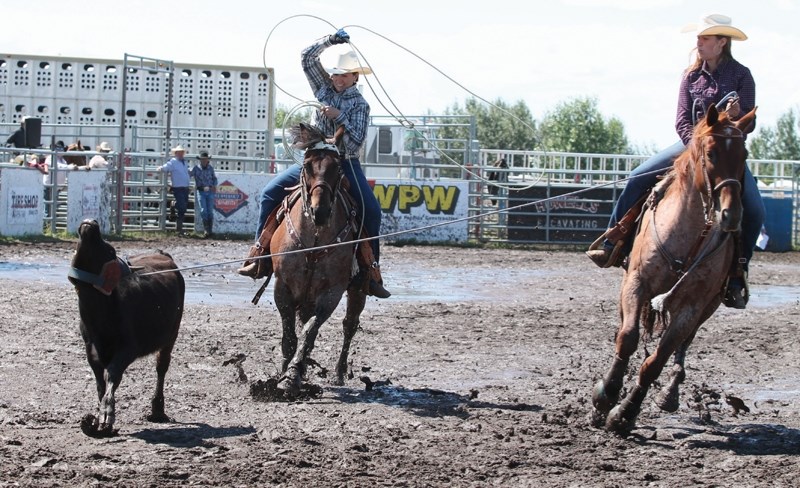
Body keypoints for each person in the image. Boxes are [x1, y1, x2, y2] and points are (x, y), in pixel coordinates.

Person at [586, 14, 764, 309]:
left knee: (755, 210)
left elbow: (749, 123)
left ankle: (737, 271)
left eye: (705, 38)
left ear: (721, 43)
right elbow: (682, 120)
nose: (699, 43)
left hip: (724, 153)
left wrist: (735, 116)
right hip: (690, 146)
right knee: (638, 176)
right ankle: (613, 240)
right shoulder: (691, 76)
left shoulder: (742, 76)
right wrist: (695, 146)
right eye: (699, 38)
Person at [237, 29, 390, 298]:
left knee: (371, 210)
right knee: (270, 193)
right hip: (312, 160)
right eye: (335, 73)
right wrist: (331, 40)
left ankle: (370, 271)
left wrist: (339, 116)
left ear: (355, 77)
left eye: (344, 74)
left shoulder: (360, 105)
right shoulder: (322, 87)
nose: (337, 78)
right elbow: (307, 58)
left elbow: (353, 145)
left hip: (344, 163)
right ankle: (259, 254)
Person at [157, 145, 191, 235]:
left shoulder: (184, 162)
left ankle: (179, 227)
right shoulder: (173, 162)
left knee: (183, 207)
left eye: (182, 152)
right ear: (176, 153)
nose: (181, 154)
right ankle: (179, 227)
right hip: (178, 187)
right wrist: (161, 168)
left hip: (185, 187)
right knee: (182, 206)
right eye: (179, 152)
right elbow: (166, 167)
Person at [190, 150, 218, 238]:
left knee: (209, 210)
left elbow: (214, 178)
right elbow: (189, 175)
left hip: (209, 190)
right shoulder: (196, 169)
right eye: (203, 159)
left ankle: (209, 230)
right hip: (201, 191)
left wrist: (214, 185)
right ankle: (207, 230)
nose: (204, 161)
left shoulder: (210, 168)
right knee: (204, 210)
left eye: (205, 159)